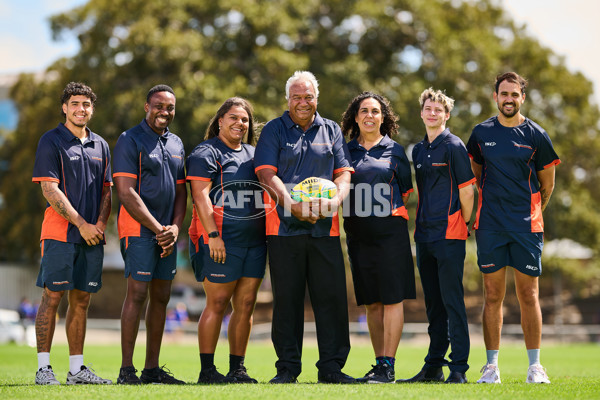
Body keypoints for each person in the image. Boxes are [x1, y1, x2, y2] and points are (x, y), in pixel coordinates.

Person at [254, 71, 355, 384]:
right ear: (288, 99)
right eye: (296, 96)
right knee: (287, 301)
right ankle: (287, 369)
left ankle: (332, 368)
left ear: (316, 99)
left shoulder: (332, 131)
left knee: (332, 300)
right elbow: (266, 174)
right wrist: (292, 205)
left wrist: (336, 200)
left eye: (308, 96)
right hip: (283, 231)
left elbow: (343, 173)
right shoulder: (273, 130)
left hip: (326, 230)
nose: (302, 102)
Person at [467, 72, 560, 384]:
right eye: (503, 93)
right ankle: (491, 367)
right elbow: (477, 175)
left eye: (514, 94)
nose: (509, 99)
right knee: (492, 294)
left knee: (528, 294)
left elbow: (547, 184)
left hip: (526, 227)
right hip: (490, 225)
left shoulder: (537, 135)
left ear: (522, 97)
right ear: (496, 96)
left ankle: (535, 367)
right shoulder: (480, 133)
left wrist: (531, 213)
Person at [31, 82, 113, 385]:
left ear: (92, 109)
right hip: (59, 234)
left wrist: (100, 227)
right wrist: (81, 223)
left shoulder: (101, 145)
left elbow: (107, 191)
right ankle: (44, 369)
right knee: (52, 297)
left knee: (81, 301)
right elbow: (49, 189)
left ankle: (77, 370)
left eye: (87, 104)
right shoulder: (51, 141)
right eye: (75, 103)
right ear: (64, 107)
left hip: (92, 236)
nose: (81, 109)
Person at [397, 88, 475, 385]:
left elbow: (468, 190)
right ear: (421, 113)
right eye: (428, 108)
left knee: (453, 301)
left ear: (447, 115)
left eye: (438, 110)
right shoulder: (417, 150)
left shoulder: (454, 146)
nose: (432, 113)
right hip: (424, 235)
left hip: (451, 234)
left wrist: (463, 223)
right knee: (433, 305)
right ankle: (433, 367)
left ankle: (459, 368)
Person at [187, 97, 266, 384]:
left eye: (244, 119)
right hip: (221, 241)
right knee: (217, 303)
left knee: (245, 304)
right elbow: (200, 197)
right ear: (220, 121)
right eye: (233, 117)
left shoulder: (254, 154)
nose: (240, 123)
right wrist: (213, 236)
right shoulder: (205, 152)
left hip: (255, 243)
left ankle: (237, 369)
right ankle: (207, 371)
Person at [113, 84, 187, 385]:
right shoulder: (130, 139)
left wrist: (175, 228)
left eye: (169, 107)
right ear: (147, 107)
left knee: (162, 297)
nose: (164, 112)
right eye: (158, 106)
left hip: (166, 234)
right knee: (138, 293)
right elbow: (125, 192)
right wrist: (158, 229)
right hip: (138, 229)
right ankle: (126, 371)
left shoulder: (178, 143)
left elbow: (182, 192)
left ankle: (152, 370)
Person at [340, 91, 416, 383]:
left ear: (383, 118)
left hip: (391, 235)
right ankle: (379, 363)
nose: (369, 116)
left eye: (375, 111)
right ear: (355, 117)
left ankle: (389, 365)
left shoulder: (395, 151)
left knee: (392, 299)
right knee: (371, 301)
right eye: (364, 111)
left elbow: (405, 191)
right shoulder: (345, 151)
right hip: (358, 236)